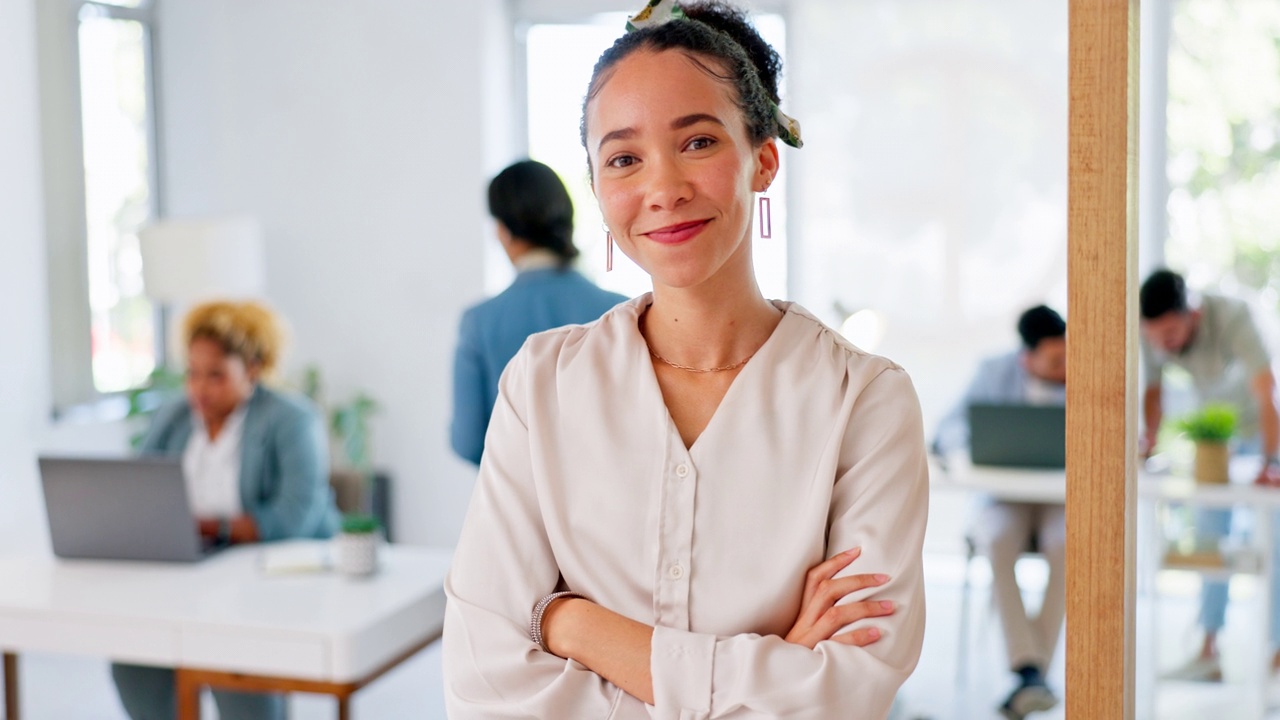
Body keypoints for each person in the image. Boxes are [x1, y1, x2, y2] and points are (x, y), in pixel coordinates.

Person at [442, 2, 928, 718]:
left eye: (698, 142)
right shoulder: (540, 385)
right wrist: (773, 666)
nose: (663, 189)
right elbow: (484, 686)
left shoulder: (866, 401)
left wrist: (569, 623)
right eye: (624, 158)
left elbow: (845, 693)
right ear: (598, 190)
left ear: (763, 160)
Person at [112, 300, 340, 720]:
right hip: (192, 570)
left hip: (269, 577)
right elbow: (140, 489)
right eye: (193, 373)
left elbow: (295, 516)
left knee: (231, 659)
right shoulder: (176, 417)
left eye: (216, 375)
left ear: (252, 369)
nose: (199, 388)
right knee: (132, 648)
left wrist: (210, 527)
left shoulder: (292, 419)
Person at [1139, 268, 1280, 681]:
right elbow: (1153, 391)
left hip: (1263, 430)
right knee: (1209, 537)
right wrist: (1149, 446)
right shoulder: (1149, 332)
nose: (1165, 344)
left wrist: (1271, 462)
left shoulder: (1234, 315)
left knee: (1275, 538)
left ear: (1193, 315)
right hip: (1216, 439)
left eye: (1171, 333)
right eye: (1156, 336)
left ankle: (1277, 652)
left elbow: (1266, 388)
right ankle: (1208, 649)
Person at [933, 305, 1067, 719]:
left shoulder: (1089, 370)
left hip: (1060, 499)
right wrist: (967, 449)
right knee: (996, 539)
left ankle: (1029, 672)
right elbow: (947, 429)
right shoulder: (992, 372)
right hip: (1002, 497)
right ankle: (1032, 673)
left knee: (1067, 544)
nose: (1065, 366)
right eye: (1055, 360)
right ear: (1026, 358)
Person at [450, 159, 627, 465]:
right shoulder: (622, 310)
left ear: (503, 232)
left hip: (516, 507)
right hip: (607, 505)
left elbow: (468, 442)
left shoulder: (480, 322)